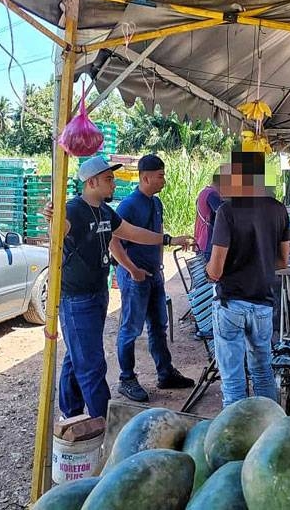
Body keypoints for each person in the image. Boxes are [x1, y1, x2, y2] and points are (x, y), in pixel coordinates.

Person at [45, 155, 192, 420]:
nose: (114, 184)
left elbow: (132, 233)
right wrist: (52, 218)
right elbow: (59, 229)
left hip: (98, 294)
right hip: (76, 299)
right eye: (109, 179)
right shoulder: (73, 210)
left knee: (76, 356)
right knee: (92, 365)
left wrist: (168, 239)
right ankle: (105, 425)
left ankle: (71, 413)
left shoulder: (104, 211)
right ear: (91, 182)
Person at [205, 152, 290, 407]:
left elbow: (216, 269)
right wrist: (259, 262)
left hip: (232, 303)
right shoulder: (278, 209)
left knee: (232, 379)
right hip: (263, 303)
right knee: (263, 370)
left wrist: (210, 272)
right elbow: (283, 261)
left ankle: (235, 440)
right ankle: (269, 431)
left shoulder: (227, 211)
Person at [109, 154, 195, 402]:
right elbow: (113, 242)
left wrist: (158, 266)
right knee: (131, 328)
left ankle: (165, 372)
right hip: (135, 278)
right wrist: (132, 270)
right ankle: (127, 379)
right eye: (160, 176)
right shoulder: (129, 205)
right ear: (145, 177)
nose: (164, 180)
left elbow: (154, 235)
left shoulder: (156, 204)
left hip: (154, 276)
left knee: (159, 326)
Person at [194, 173, 223, 262]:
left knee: (202, 274)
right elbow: (223, 214)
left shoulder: (204, 192)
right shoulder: (212, 194)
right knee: (209, 274)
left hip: (201, 243)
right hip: (208, 243)